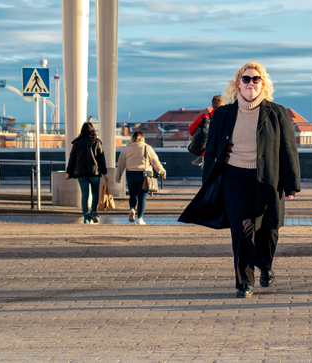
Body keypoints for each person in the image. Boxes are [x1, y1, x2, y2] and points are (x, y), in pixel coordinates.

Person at [179, 61, 301, 298]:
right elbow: (213, 150)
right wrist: (209, 185)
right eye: (246, 79)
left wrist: (291, 183)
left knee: (269, 229)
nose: (251, 83)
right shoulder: (223, 114)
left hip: (268, 178)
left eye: (256, 79)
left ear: (262, 84)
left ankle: (265, 266)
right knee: (242, 229)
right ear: (238, 83)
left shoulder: (276, 112)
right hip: (235, 177)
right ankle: (244, 281)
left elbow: (288, 148)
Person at [115, 131, 165, 225]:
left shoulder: (126, 149)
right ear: (142, 138)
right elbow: (155, 161)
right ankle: (140, 219)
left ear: (132, 138)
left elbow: (120, 163)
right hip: (145, 174)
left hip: (130, 174)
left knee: (133, 195)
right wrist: (162, 172)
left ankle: (132, 208)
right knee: (142, 197)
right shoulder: (147, 147)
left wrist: (118, 177)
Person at [65, 122, 109, 224]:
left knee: (84, 195)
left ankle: (86, 218)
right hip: (94, 173)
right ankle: (93, 211)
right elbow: (101, 159)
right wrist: (105, 173)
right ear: (93, 130)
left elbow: (72, 159)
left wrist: (68, 172)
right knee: (95, 193)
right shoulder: (96, 142)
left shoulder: (77, 143)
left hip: (81, 174)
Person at [187, 94, 224, 165]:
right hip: (222, 153)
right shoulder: (227, 118)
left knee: (208, 175)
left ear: (212, 105)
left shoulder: (205, 117)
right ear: (224, 105)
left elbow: (191, 131)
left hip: (206, 153)